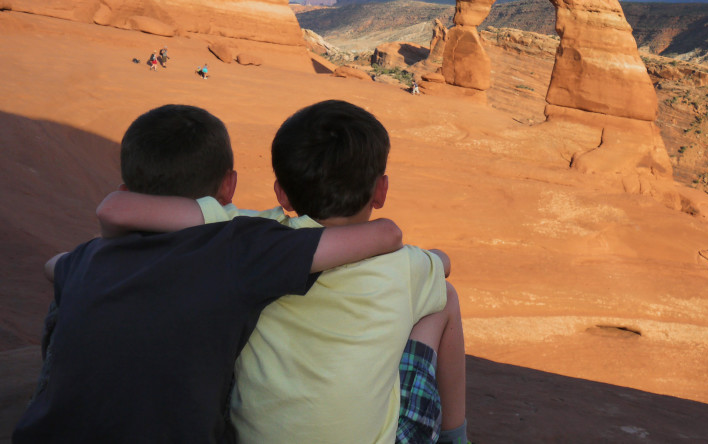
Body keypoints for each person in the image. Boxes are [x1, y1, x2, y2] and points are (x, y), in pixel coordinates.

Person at [13, 104, 402, 444]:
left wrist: (100, 250)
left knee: (67, 303)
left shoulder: (87, 258)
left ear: (128, 189)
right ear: (228, 186)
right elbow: (382, 234)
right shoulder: (241, 246)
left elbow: (60, 262)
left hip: (40, 433)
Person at [96, 100, 469, 444]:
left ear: (282, 194)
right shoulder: (407, 265)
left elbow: (118, 210)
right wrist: (406, 245)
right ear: (380, 191)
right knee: (442, 299)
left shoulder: (247, 234)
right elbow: (444, 265)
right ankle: (457, 437)